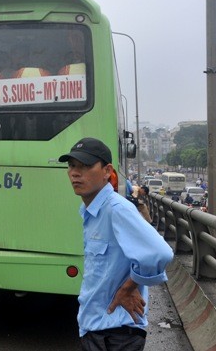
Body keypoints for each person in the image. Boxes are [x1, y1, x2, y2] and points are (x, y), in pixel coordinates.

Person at [58, 137, 173, 350]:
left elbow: (160, 252)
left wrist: (129, 288)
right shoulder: (92, 211)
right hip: (96, 327)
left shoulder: (116, 209)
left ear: (106, 170)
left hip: (116, 334)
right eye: (72, 166)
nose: (75, 172)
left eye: (85, 166)